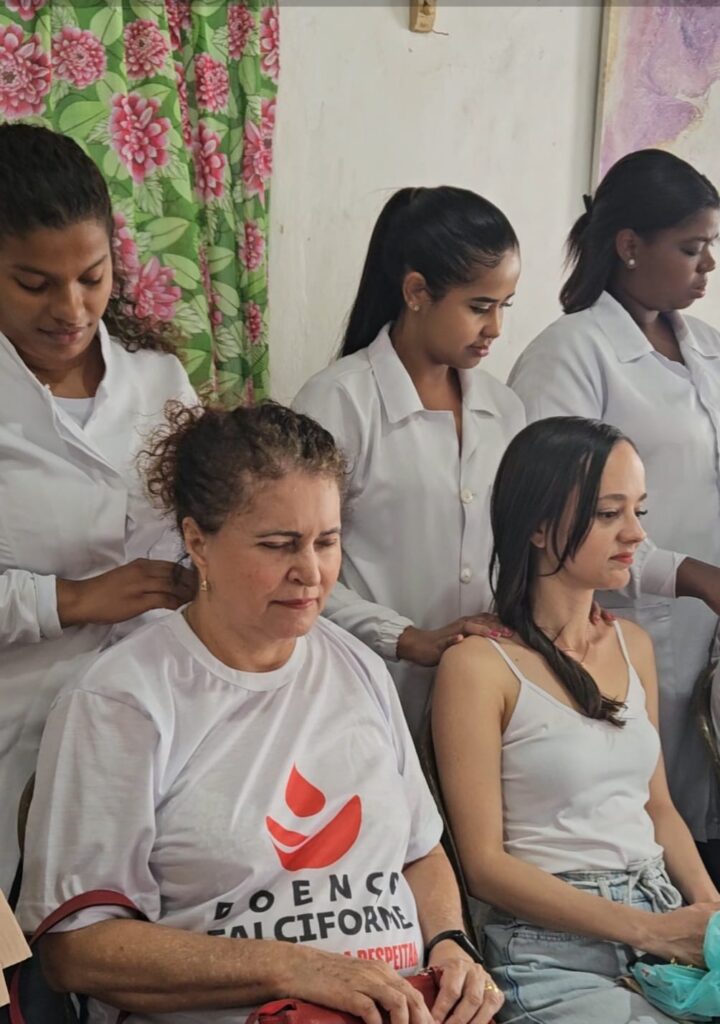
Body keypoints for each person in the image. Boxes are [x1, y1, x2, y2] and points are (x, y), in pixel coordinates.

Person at [17, 402, 503, 1024]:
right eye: (279, 545)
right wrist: (291, 966)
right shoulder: (122, 700)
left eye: (327, 542)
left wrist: (450, 944)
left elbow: (419, 852)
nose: (311, 573)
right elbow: (74, 951)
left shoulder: (357, 667)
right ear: (198, 541)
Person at [432, 416, 720, 1024]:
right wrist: (652, 931)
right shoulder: (477, 667)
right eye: (608, 513)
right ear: (538, 527)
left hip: (662, 916)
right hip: (549, 949)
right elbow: (484, 868)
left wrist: (709, 915)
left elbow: (658, 808)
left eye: (638, 510)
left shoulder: (632, 644)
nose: (636, 533)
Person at [0, 124, 196, 895]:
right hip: (17, 725)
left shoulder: (158, 380)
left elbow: (209, 525)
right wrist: (73, 600)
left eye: (92, 276)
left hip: (159, 719)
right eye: (34, 283)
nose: (72, 309)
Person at [508, 149, 720, 859]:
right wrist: (693, 576)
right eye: (691, 248)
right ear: (629, 245)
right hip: (625, 625)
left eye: (712, 246)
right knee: (645, 826)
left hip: (705, 633)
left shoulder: (708, 349)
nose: (708, 265)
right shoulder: (570, 353)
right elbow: (562, 513)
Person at [293, 186, 525, 735]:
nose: (496, 329)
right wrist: (402, 636)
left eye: (504, 306)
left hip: (483, 695)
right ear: (417, 291)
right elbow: (297, 564)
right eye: (479, 307)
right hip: (363, 692)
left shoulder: (505, 409)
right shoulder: (338, 402)